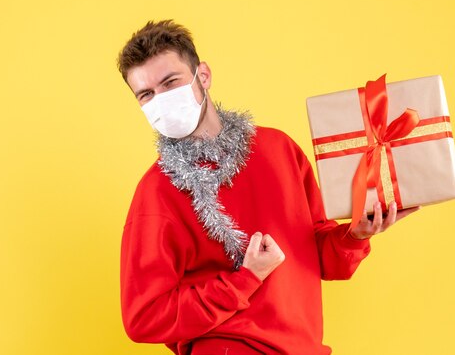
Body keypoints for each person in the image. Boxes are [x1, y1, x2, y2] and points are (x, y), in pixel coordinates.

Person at [117, 20, 419, 355]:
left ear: (203, 76)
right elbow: (144, 317)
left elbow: (317, 256)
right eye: (146, 94)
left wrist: (356, 236)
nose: (161, 100)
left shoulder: (279, 149)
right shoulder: (156, 191)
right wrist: (244, 279)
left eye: (170, 83)